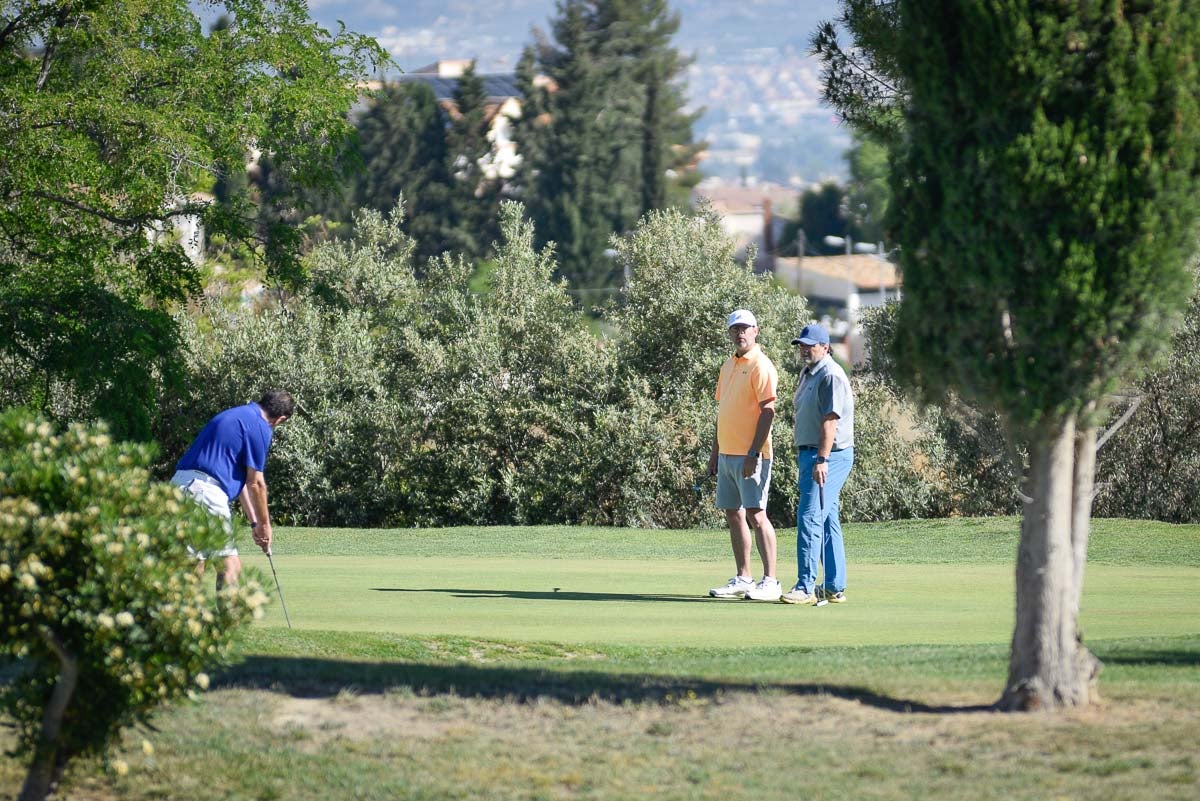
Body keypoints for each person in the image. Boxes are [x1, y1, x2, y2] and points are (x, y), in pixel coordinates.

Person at [171, 390, 294, 589]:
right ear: (280, 419)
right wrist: (265, 525)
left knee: (193, 563)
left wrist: (254, 523)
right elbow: (257, 483)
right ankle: (227, 619)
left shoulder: (236, 415)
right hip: (205, 492)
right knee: (230, 565)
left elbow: (244, 482)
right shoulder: (260, 426)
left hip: (180, 487)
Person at [707, 309, 782, 601]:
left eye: (745, 328)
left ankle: (771, 581)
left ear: (755, 331)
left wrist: (753, 452)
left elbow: (768, 412)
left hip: (753, 456)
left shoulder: (761, 366)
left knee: (756, 514)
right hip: (727, 453)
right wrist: (715, 453)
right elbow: (723, 413)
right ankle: (744, 577)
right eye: (735, 329)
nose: (739, 333)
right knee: (733, 514)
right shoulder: (727, 366)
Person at [782, 323, 855, 605]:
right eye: (801, 344)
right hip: (811, 453)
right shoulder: (808, 372)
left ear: (825, 347)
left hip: (829, 455)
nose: (804, 349)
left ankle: (805, 586)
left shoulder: (831, 375)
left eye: (809, 345)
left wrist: (822, 459)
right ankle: (834, 585)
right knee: (827, 519)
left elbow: (830, 421)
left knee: (810, 516)